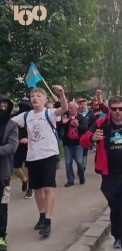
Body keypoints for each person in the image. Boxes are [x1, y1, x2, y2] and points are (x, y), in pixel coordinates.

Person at [80, 96, 122, 251]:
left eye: (121, 108)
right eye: (114, 109)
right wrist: (92, 138)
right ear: (109, 109)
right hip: (109, 176)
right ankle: (118, 235)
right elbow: (83, 140)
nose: (117, 112)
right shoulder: (102, 124)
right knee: (116, 208)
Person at [11, 86, 68, 238]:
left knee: (48, 188)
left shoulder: (49, 113)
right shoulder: (26, 116)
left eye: (38, 96)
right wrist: (17, 139)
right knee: (36, 189)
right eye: (32, 96)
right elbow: (8, 123)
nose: (34, 98)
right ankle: (42, 216)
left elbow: (64, 108)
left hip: (48, 155)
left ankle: (48, 221)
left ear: (44, 99)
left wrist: (61, 94)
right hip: (32, 157)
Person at [0, 95, 19, 251]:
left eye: (6, 106)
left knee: (2, 206)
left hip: (3, 172)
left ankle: (1, 238)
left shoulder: (12, 125)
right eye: (1, 105)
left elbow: (12, 147)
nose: (3, 109)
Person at [59, 102, 88, 187]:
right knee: (68, 163)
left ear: (76, 108)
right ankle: (70, 180)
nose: (69, 110)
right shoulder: (65, 117)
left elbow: (86, 130)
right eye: (69, 108)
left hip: (78, 143)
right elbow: (58, 128)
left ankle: (81, 176)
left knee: (79, 162)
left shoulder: (81, 118)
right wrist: (62, 123)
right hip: (68, 144)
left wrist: (78, 126)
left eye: (71, 108)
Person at [12, 98, 33, 199]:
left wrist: (28, 139)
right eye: (22, 106)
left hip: (29, 145)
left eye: (26, 106)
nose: (23, 108)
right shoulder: (14, 117)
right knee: (15, 167)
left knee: (29, 168)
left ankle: (30, 188)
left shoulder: (33, 117)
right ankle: (24, 180)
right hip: (17, 145)